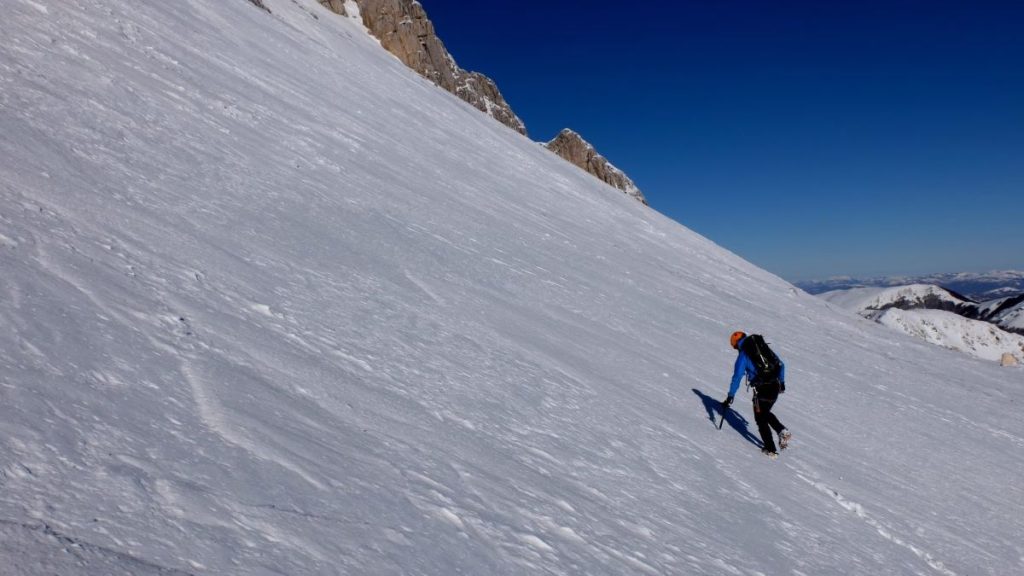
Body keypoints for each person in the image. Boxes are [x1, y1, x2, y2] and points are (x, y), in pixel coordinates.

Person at [722, 331, 791, 458]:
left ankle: (771, 450)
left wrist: (731, 395)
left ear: (737, 345)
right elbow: (781, 364)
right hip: (775, 386)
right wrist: (781, 382)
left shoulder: (744, 355)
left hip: (762, 389)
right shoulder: (762, 347)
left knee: (760, 419)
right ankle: (781, 431)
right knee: (764, 413)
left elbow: (737, 377)